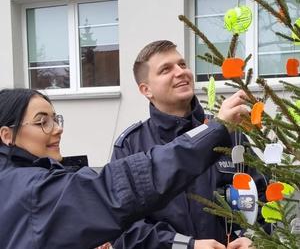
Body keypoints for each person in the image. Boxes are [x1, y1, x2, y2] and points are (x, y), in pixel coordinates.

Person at [0, 88, 247, 249]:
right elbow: (120, 191)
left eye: (56, 118)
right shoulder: (29, 189)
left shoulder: (34, 179)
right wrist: (188, 245)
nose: (57, 128)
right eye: (42, 122)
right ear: (7, 135)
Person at [111, 40, 267, 249]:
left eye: (182, 65)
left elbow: (264, 198)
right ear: (146, 89)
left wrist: (255, 239)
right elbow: (123, 228)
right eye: (166, 69)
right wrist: (186, 246)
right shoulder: (131, 146)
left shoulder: (229, 133)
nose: (181, 72)